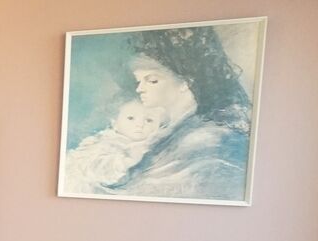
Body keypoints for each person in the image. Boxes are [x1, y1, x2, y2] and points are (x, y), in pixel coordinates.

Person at [102, 26, 253, 201]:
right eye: (138, 81)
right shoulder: (166, 132)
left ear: (185, 83)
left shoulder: (205, 140)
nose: (139, 89)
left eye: (152, 80)